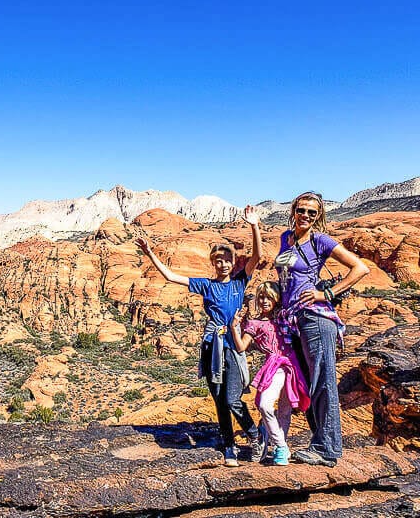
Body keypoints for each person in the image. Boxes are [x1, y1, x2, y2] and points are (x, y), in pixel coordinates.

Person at [135, 205, 263, 467]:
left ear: (232, 261)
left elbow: (257, 257)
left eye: (227, 260)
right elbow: (171, 276)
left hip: (234, 346)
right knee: (219, 399)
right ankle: (229, 446)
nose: (223, 264)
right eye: (218, 260)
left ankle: (254, 435)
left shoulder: (240, 282)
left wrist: (254, 225)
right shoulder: (206, 284)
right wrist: (150, 253)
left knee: (232, 398)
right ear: (213, 263)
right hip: (211, 346)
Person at [274, 191, 369, 467]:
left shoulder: (320, 240)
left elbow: (359, 268)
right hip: (293, 320)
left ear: (319, 216)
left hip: (316, 318)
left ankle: (327, 449)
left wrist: (325, 294)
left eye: (312, 213)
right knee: (306, 382)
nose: (305, 216)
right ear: (293, 210)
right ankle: (319, 442)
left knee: (322, 380)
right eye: (301, 210)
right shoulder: (285, 239)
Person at [230, 281, 310, 466]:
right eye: (261, 297)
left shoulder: (285, 316)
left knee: (285, 409)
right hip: (274, 366)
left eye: (268, 297)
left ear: (276, 299)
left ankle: (275, 445)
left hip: (293, 365)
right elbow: (241, 347)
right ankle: (281, 446)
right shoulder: (255, 323)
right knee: (266, 405)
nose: (264, 301)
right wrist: (235, 327)